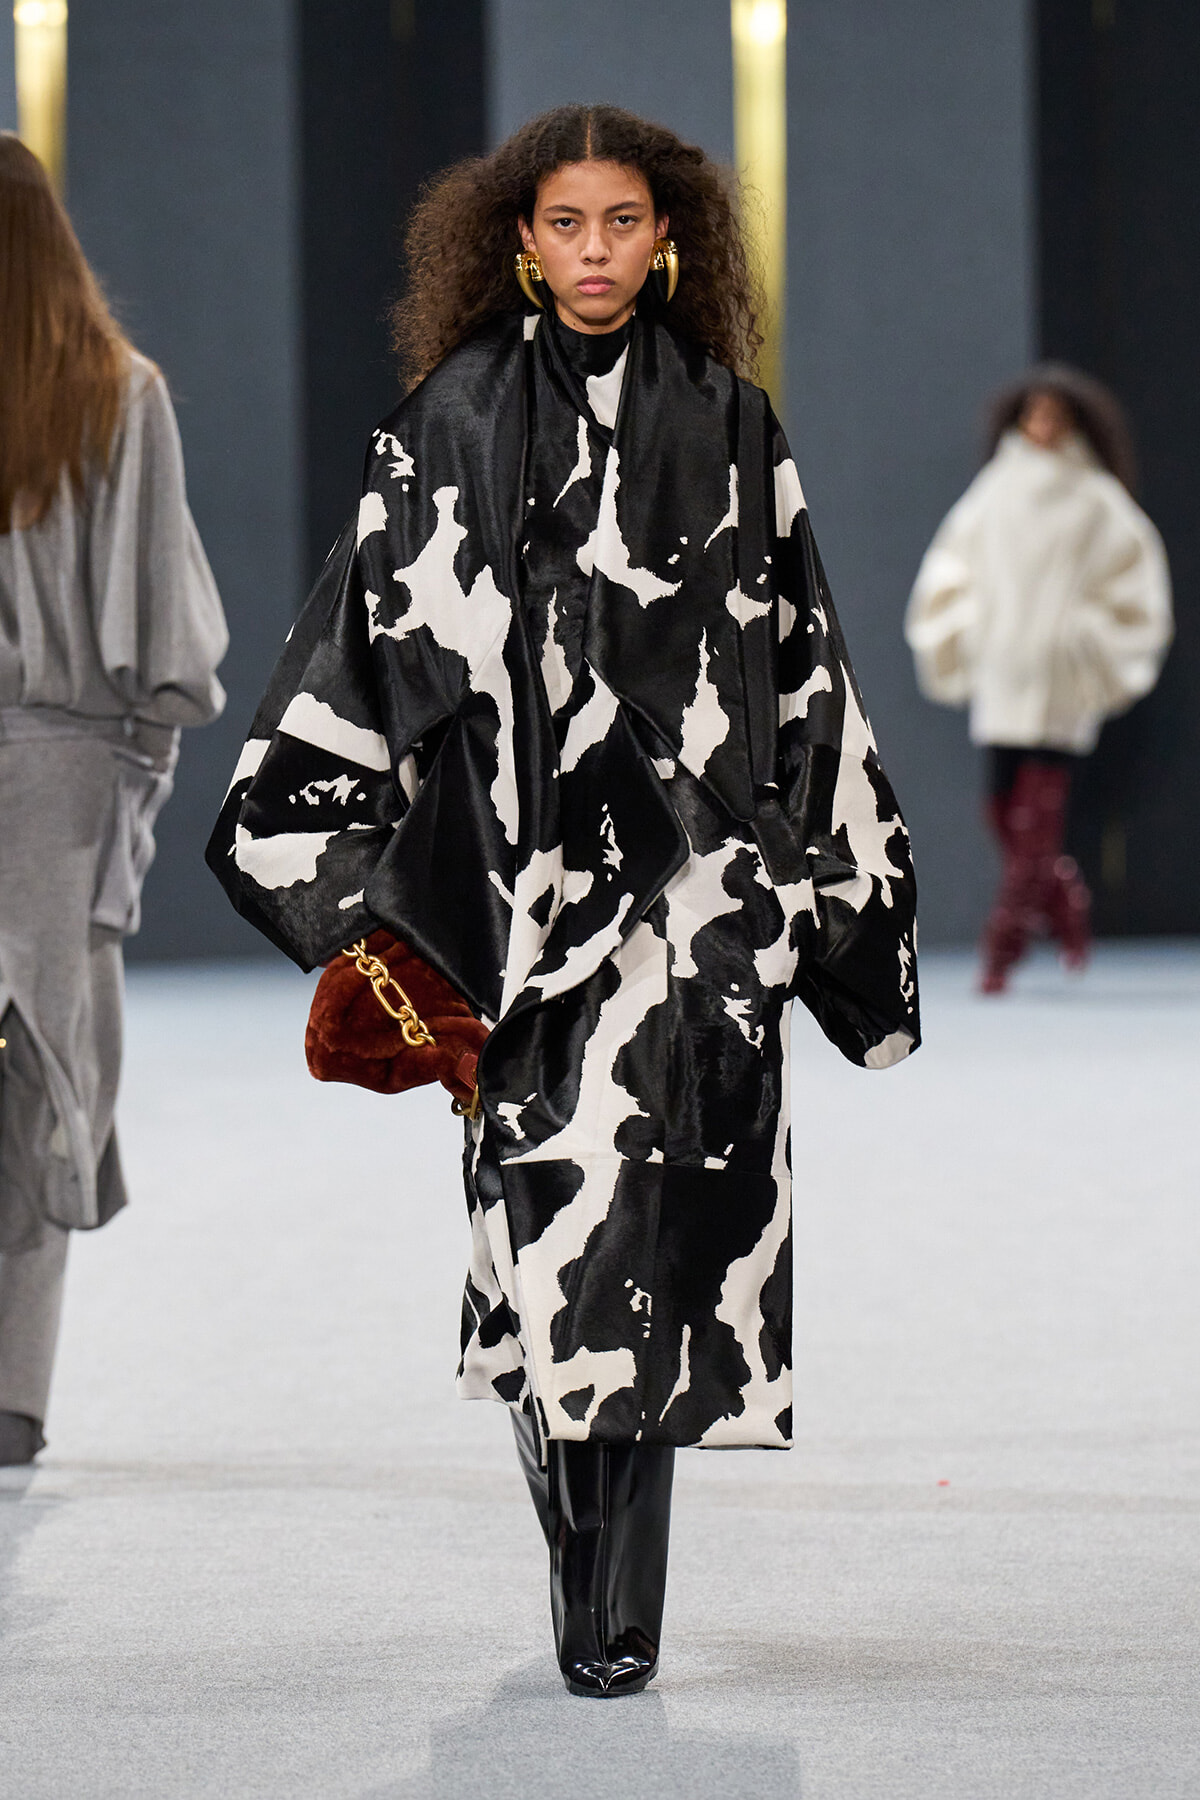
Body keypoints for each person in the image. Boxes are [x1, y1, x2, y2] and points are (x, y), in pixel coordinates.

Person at [208, 104, 919, 1696]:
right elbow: (364, 642)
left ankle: (612, 1609)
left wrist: (832, 895)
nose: (596, 252)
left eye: (622, 223)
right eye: (565, 224)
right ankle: (581, 1533)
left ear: (667, 240)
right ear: (517, 243)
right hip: (514, 905)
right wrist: (362, 900)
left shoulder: (736, 425)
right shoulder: (447, 421)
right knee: (546, 1230)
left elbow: (806, 667)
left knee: (665, 1227)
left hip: (694, 908)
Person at [0, 135, 228, 1465]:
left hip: (62, 769)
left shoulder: (113, 394)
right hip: (64, 779)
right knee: (40, 1084)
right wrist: (131, 783)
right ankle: (14, 1398)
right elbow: (170, 652)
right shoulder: (117, 395)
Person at [905, 364, 1172, 993]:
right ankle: (1067, 902)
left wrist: (1088, 636)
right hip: (1005, 672)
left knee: (1034, 822)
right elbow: (952, 565)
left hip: (1060, 678)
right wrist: (969, 626)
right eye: (1035, 414)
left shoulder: (1098, 499)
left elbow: (1137, 583)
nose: (1044, 426)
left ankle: (1003, 947)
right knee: (1002, 810)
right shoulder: (994, 491)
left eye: (1056, 416)